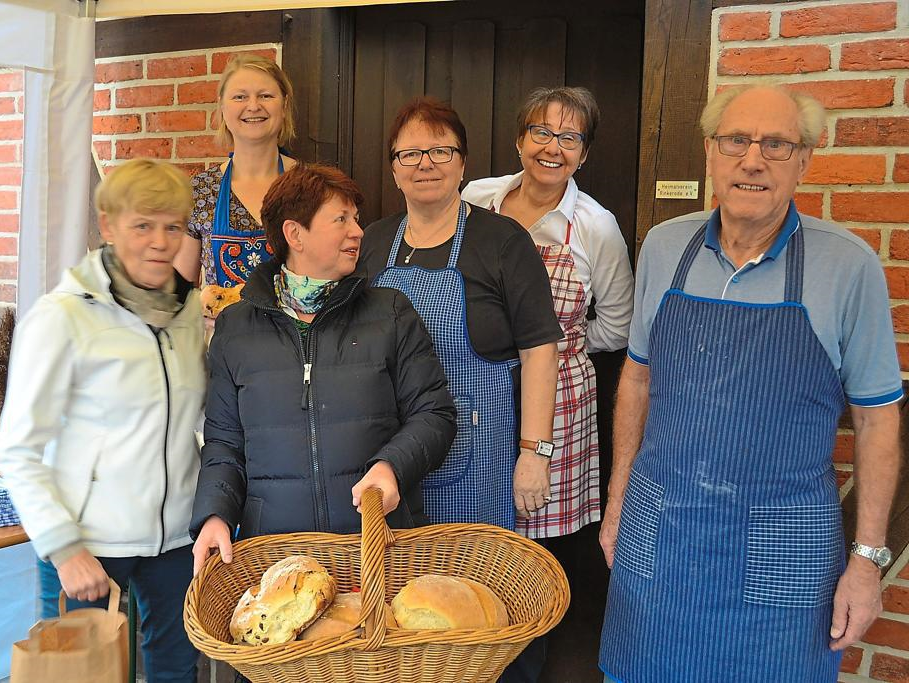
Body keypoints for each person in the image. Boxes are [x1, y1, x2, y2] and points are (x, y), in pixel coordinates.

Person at [599, 85, 902, 683]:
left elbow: (877, 417)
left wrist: (867, 561)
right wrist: (616, 503)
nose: (753, 159)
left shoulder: (848, 264)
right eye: (736, 140)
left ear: (805, 161)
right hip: (661, 532)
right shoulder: (665, 246)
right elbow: (636, 377)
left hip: (783, 547)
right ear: (711, 151)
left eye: (777, 145)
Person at [358, 97, 561, 683]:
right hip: (392, 457)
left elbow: (539, 348)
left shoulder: (501, 241)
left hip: (485, 456)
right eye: (411, 152)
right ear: (394, 167)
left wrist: (535, 453)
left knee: (483, 608)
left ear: (463, 163)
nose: (426, 162)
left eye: (441, 149)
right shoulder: (371, 244)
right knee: (405, 609)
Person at [0, 159, 205, 683]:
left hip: (174, 541)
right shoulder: (61, 316)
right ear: (108, 226)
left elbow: (193, 420)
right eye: (142, 226)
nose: (160, 242)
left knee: (177, 673)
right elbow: (18, 450)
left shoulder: (188, 311)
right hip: (88, 544)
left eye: (173, 227)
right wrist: (64, 548)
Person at [190, 163, 456, 571]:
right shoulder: (235, 328)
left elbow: (434, 414)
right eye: (341, 219)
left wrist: (391, 466)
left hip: (377, 549)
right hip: (276, 560)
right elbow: (224, 444)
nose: (358, 231)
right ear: (295, 234)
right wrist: (214, 515)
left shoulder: (391, 313)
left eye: (356, 218)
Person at [462, 85, 632, 680]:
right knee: (476, 530)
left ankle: (526, 663)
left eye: (569, 136)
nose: (552, 147)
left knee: (536, 550)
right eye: (541, 132)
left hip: (558, 401)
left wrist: (560, 353)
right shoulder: (477, 199)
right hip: (476, 388)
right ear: (518, 139)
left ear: (583, 153)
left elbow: (617, 323)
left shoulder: (594, 226)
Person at [176, 54, 299, 291]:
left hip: (294, 328)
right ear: (223, 107)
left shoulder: (312, 185)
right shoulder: (200, 190)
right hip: (222, 329)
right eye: (240, 97)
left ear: (283, 105)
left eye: (265, 95)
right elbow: (181, 291)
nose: (253, 106)